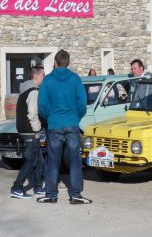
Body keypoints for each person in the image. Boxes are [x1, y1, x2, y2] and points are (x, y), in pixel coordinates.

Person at [37, 50, 92, 205]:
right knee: (74, 160)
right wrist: (76, 117)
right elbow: (82, 103)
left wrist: (51, 117)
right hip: (71, 124)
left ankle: (51, 194)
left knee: (53, 160)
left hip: (54, 125)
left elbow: (42, 105)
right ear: (68, 63)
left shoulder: (48, 80)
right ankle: (75, 195)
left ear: (55, 62)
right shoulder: (75, 79)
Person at [10, 65, 45, 199]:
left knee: (38, 161)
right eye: (43, 75)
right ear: (36, 76)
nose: (44, 78)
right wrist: (37, 130)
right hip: (30, 132)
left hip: (26, 130)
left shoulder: (25, 90)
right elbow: (32, 114)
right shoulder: (33, 91)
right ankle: (17, 187)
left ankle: (37, 186)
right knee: (30, 162)